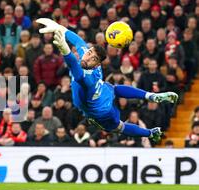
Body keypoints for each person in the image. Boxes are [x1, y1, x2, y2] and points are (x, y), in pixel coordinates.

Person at [36, 18, 178, 143]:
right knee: (113, 88)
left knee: (119, 127)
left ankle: (150, 133)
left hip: (102, 111)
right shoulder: (88, 57)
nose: (88, 57)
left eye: (93, 58)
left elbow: (74, 66)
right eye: (89, 53)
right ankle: (151, 96)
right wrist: (59, 27)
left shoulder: (87, 79)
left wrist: (65, 50)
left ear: (97, 64)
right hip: (103, 90)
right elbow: (78, 41)